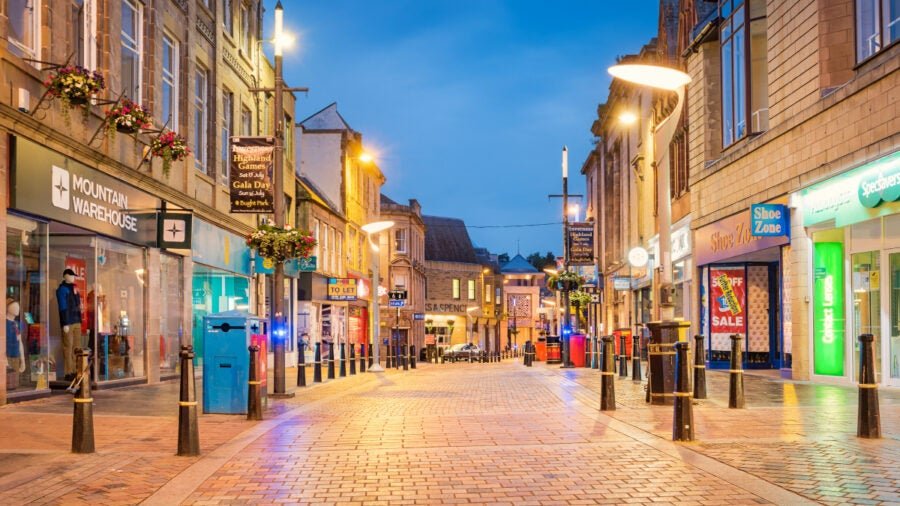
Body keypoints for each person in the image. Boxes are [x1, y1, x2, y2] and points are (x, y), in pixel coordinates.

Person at [57, 268, 83, 381]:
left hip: (77, 320)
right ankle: (69, 371)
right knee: (68, 347)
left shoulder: (74, 288)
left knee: (77, 347)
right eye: (71, 276)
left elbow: (78, 304)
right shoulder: (62, 290)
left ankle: (77, 370)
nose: (73, 278)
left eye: (73, 276)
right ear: (65, 276)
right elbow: (62, 307)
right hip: (68, 322)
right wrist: (65, 323)